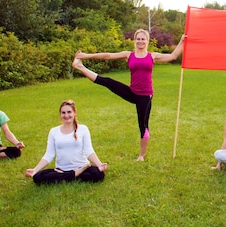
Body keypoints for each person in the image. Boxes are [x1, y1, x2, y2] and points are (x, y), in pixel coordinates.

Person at [73, 29, 185, 161]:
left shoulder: (152, 56)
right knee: (107, 82)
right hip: (132, 92)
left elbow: (172, 56)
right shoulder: (128, 55)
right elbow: (107, 56)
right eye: (138, 39)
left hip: (145, 95)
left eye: (143, 39)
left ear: (147, 41)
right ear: (134, 40)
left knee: (143, 125)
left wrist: (182, 41)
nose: (140, 41)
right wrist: (86, 56)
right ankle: (79, 66)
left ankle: (141, 155)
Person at [25, 100, 107, 184]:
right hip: (61, 170)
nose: (66, 115)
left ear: (74, 113)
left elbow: (89, 150)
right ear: (60, 114)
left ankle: (69, 176)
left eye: (69, 112)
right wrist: (35, 170)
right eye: (63, 113)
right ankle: (74, 174)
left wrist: (99, 164)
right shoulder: (54, 131)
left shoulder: (83, 129)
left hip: (82, 167)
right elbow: (49, 154)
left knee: (98, 174)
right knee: (37, 177)